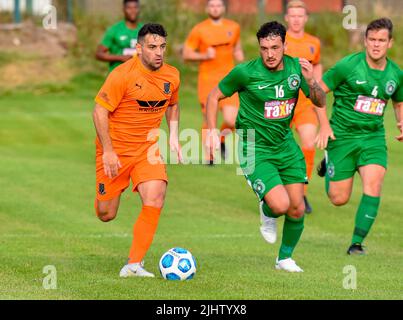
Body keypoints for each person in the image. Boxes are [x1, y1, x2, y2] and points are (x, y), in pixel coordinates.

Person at [206, 21, 331, 272]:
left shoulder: (297, 69)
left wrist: (312, 81)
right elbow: (213, 96)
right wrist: (210, 130)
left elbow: (319, 100)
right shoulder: (245, 72)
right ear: (259, 47)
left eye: (275, 47)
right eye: (264, 48)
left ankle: (284, 258)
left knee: (296, 208)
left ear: (285, 45)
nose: (270, 54)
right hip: (254, 147)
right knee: (280, 205)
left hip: (285, 145)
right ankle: (266, 209)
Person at [92, 23, 182, 277]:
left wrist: (173, 134)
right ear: (139, 48)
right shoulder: (122, 74)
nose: (159, 53)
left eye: (162, 47)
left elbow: (173, 104)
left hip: (147, 148)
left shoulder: (172, 75)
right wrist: (108, 151)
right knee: (106, 214)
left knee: (156, 197)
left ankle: (134, 264)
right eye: (152, 47)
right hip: (115, 151)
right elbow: (99, 111)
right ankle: (104, 195)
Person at [317, 18, 403, 255]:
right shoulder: (348, 66)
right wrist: (324, 126)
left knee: (374, 185)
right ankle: (329, 161)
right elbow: (317, 93)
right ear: (365, 41)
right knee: (338, 198)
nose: (376, 45)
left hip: (372, 138)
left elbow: (398, 100)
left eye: (381, 41)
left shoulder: (396, 73)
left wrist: (400, 121)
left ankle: (356, 243)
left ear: (390, 42)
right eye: (372, 40)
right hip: (342, 137)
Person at [183, 0, 244, 164]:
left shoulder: (234, 27)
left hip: (229, 80)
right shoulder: (199, 29)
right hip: (207, 80)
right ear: (207, 8)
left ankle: (222, 139)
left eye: (218, 5)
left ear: (223, 8)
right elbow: (186, 54)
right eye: (212, 6)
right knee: (208, 119)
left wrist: (241, 58)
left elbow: (237, 48)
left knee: (232, 119)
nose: (215, 8)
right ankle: (210, 157)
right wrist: (203, 56)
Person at [285, 0, 322, 214]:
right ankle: (275, 190)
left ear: (306, 18)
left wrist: (318, 90)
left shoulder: (313, 43)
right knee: (280, 147)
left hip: (305, 103)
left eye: (300, 15)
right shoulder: (280, 41)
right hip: (283, 104)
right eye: (293, 15)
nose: (297, 19)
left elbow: (317, 68)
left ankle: (303, 194)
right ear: (287, 18)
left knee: (308, 143)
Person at [96, 0, 143, 72]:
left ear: (139, 9)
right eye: (129, 8)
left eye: (135, 7)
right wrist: (120, 57)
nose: (132, 11)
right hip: (118, 76)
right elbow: (99, 54)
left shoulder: (145, 30)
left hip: (138, 76)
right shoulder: (114, 30)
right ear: (123, 10)